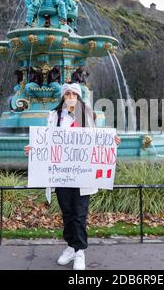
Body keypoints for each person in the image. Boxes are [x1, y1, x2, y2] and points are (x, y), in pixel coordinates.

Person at [25, 83, 121, 270]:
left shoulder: (88, 116)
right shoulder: (54, 117)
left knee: (79, 213)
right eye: (67, 93)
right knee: (67, 212)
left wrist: (112, 142)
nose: (70, 96)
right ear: (63, 97)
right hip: (62, 174)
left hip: (83, 174)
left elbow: (96, 142)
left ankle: (79, 252)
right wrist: (34, 149)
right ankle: (71, 246)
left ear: (78, 97)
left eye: (73, 94)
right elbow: (47, 141)